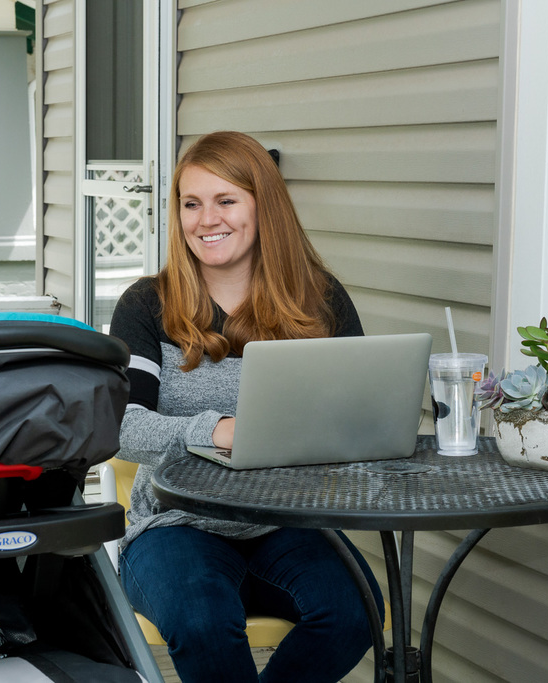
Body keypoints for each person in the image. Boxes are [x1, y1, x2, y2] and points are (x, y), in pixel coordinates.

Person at [107, 131, 385, 683]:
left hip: (293, 521)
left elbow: (357, 416)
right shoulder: (146, 304)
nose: (206, 219)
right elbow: (123, 426)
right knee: (204, 621)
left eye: (226, 200)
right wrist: (223, 430)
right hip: (175, 526)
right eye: (191, 203)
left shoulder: (320, 300)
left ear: (264, 208)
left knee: (358, 613)